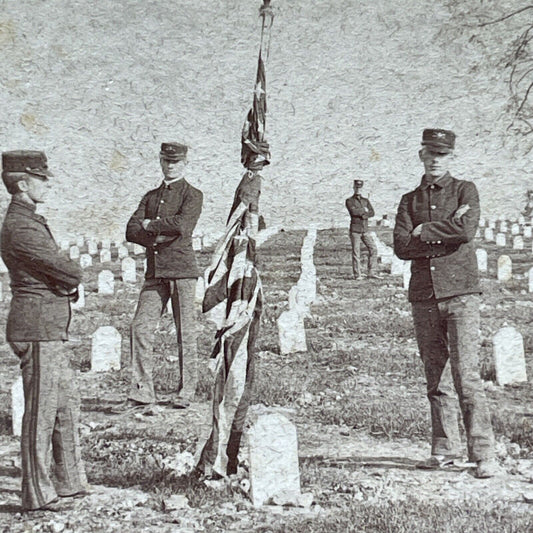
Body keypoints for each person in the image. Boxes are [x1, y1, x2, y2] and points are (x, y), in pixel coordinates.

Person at [393, 129, 499, 478]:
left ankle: (483, 454)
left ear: (451, 157)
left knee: (466, 375)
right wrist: (446, 226)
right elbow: (400, 247)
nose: (435, 160)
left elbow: (466, 232)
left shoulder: (465, 190)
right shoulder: (409, 200)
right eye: (429, 153)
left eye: (442, 155)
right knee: (435, 376)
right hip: (424, 296)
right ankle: (444, 449)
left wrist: (423, 230)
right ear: (421, 155)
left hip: (461, 295)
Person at [0, 150, 89, 511]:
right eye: (41, 178)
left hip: (47, 324)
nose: (46, 183)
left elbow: (57, 270)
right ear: (22, 183)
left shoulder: (29, 220)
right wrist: (69, 280)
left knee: (65, 406)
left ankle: (69, 482)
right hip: (36, 326)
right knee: (40, 412)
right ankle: (36, 494)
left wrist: (64, 280)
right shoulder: (20, 226)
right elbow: (64, 269)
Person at [117, 142, 203, 414]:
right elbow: (131, 230)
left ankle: (186, 391)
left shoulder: (192, 195)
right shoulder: (150, 196)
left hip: (182, 271)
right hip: (155, 272)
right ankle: (142, 393)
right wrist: (158, 234)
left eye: (175, 162)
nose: (170, 165)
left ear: (185, 163)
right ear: (160, 162)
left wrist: (150, 226)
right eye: (166, 161)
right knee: (140, 327)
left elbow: (183, 225)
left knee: (185, 332)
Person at [345, 179, 378, 280]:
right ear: (353, 188)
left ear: (362, 188)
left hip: (365, 229)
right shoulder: (349, 201)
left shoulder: (365, 201)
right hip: (355, 230)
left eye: (360, 187)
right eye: (356, 187)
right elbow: (353, 212)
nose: (358, 189)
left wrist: (363, 213)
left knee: (373, 248)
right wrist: (364, 210)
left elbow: (372, 212)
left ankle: (371, 272)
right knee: (356, 253)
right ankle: (357, 275)